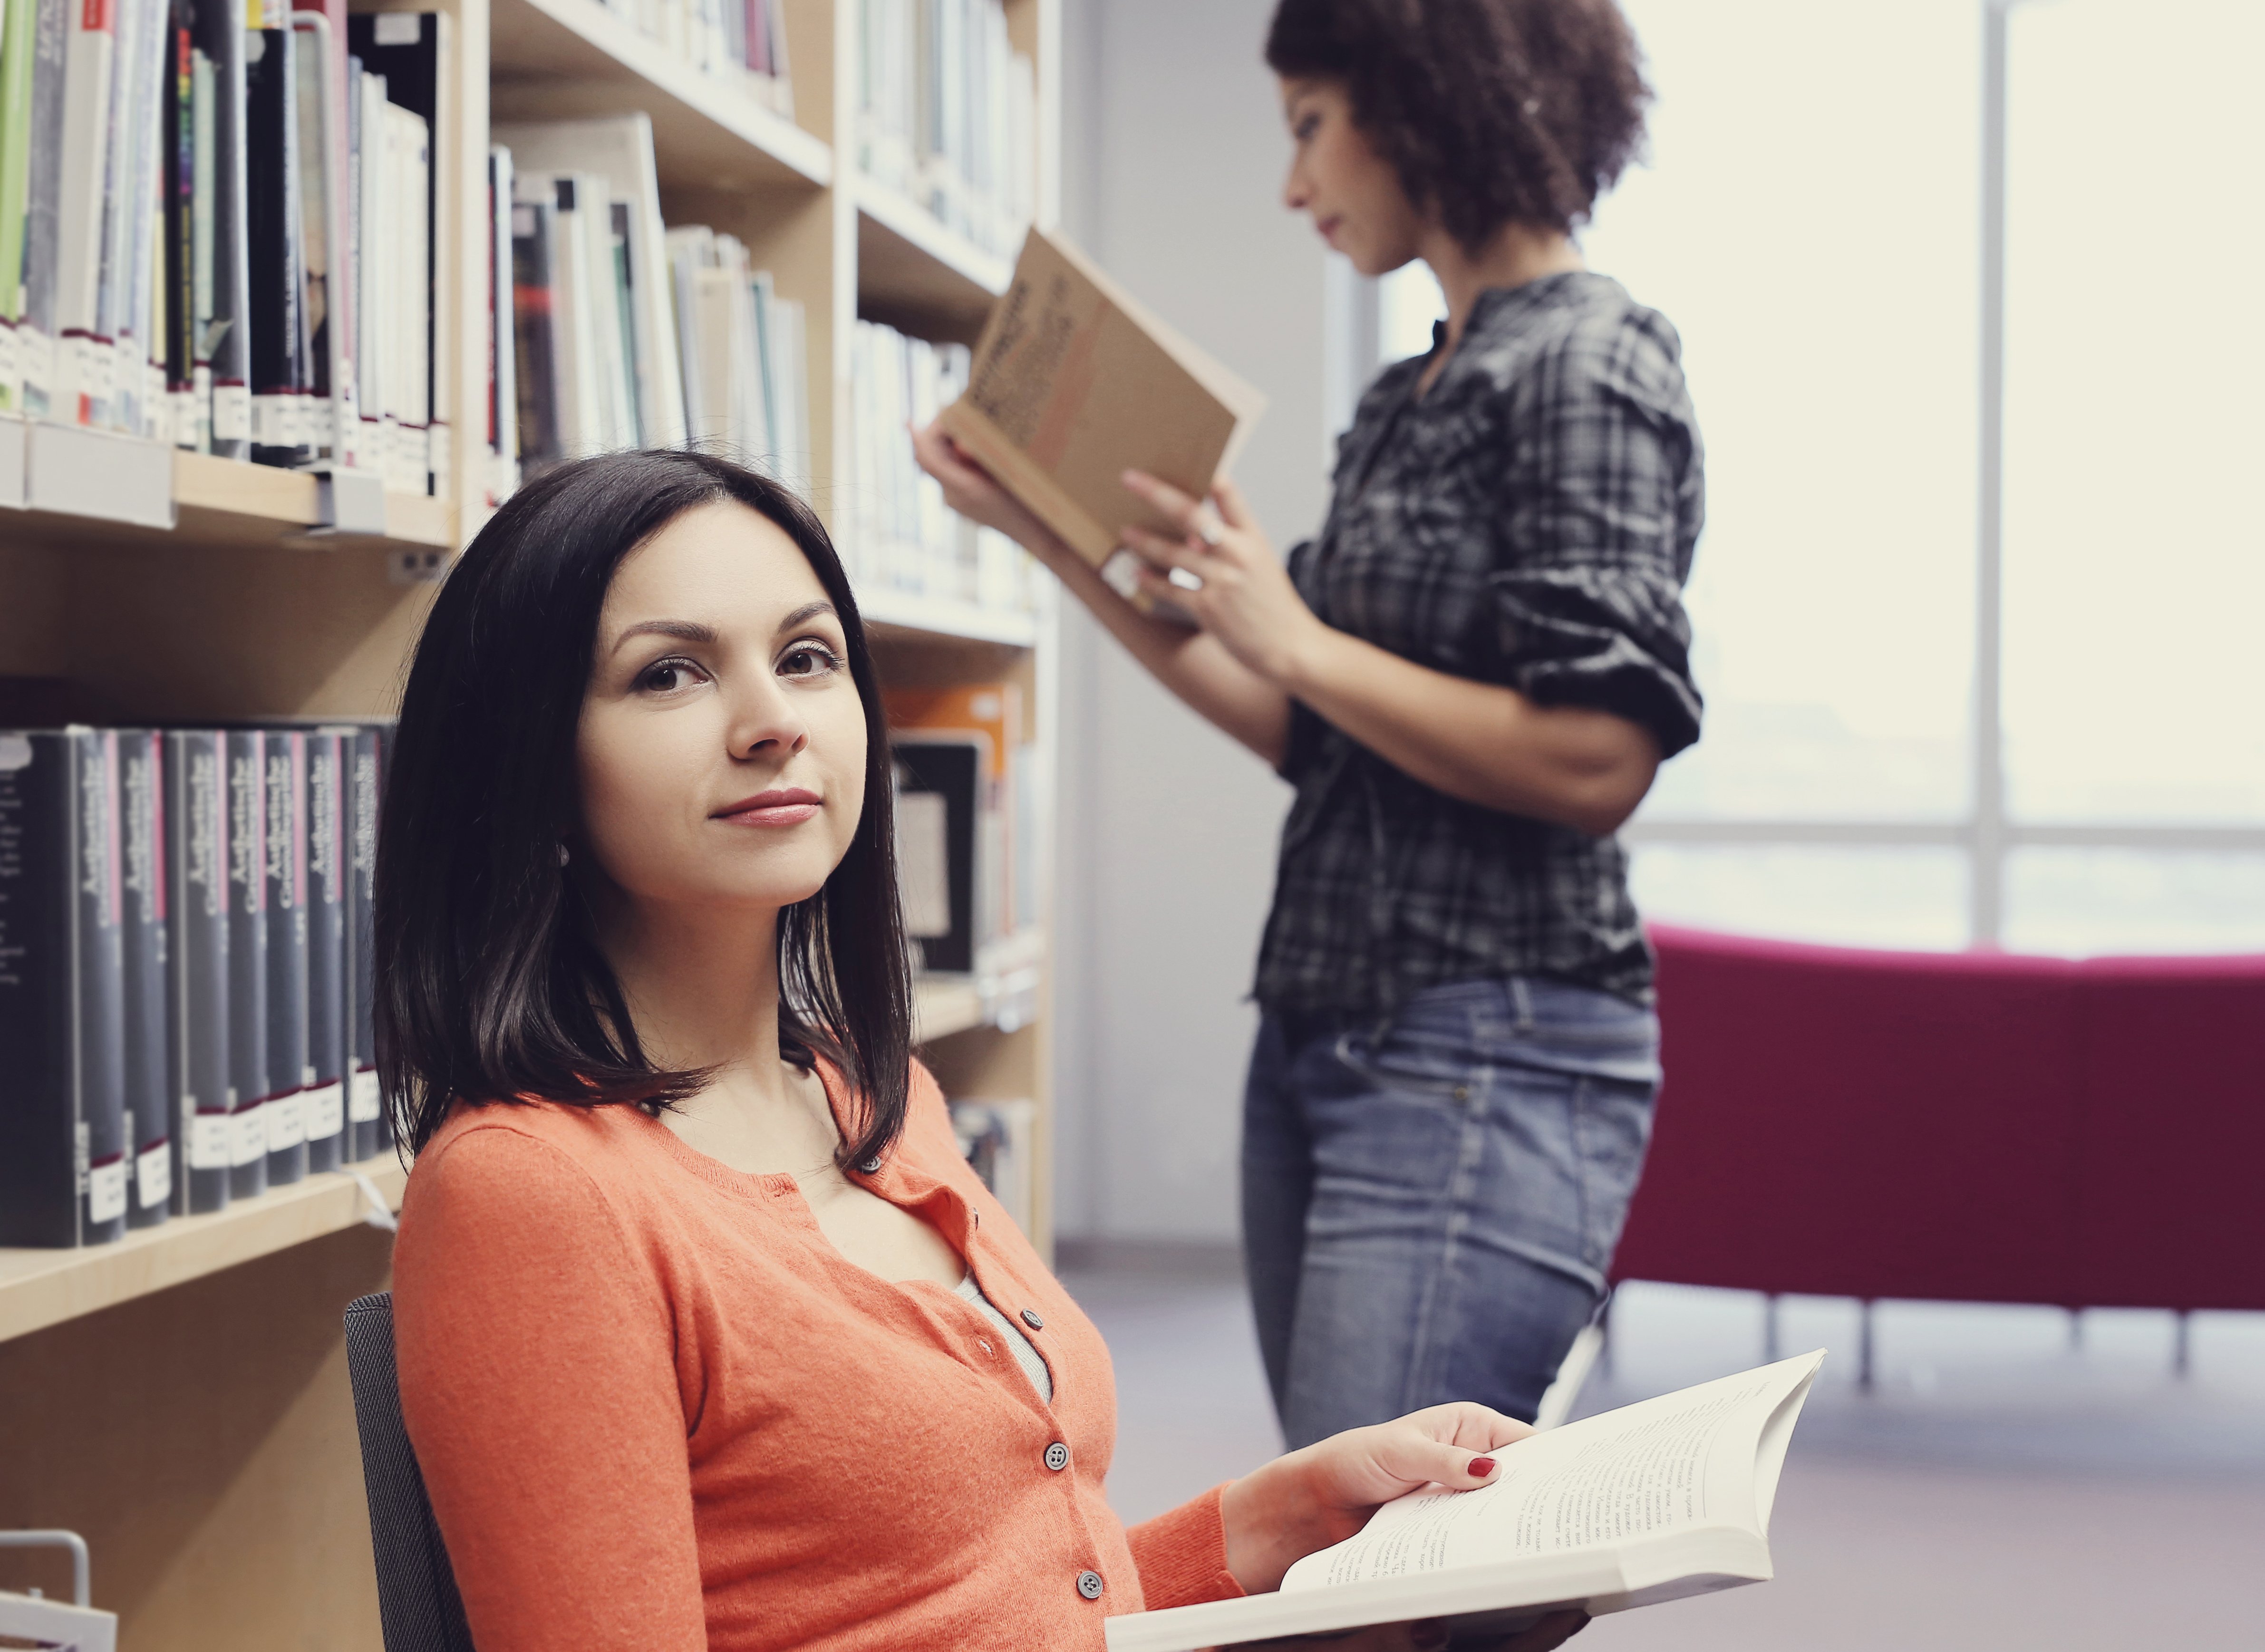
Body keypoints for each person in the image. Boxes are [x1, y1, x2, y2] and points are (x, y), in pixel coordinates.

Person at [376, 450, 1586, 1652]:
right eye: (670, 674)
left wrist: (1285, 1518)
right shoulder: (530, 1195)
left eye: (807, 657)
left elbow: (994, 1599)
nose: (772, 723)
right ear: (527, 764)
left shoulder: (877, 1098)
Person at [913, 0, 1702, 1450]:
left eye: (1308, 127)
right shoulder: (1409, 391)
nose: (1293, 186)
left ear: (1426, 99)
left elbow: (1598, 759)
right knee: (1356, 1537)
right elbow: (1305, 729)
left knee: (1382, 1573)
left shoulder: (1590, 364)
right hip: (1325, 1027)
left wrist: (1299, 634)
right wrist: (1041, 519)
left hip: (1489, 1045)